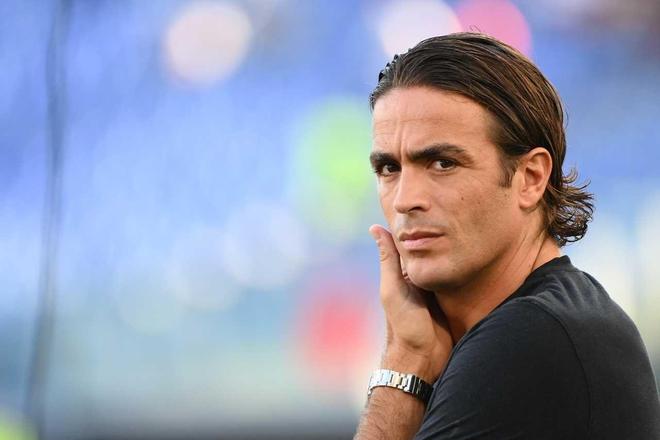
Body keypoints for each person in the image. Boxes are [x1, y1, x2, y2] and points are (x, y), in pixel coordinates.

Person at [354, 33, 660, 440]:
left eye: (443, 163)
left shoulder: (529, 339)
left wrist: (404, 363)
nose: (405, 200)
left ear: (530, 178)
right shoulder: (554, 318)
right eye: (389, 169)